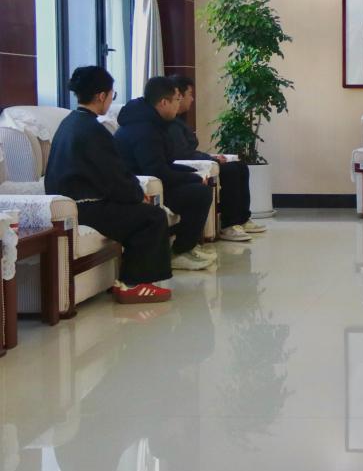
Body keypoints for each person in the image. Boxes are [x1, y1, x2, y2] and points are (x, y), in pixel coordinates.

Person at [43, 66, 173, 304]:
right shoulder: (93, 130)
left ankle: (131, 280)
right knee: (153, 217)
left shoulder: (69, 123)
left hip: (70, 206)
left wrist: (133, 194)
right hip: (87, 208)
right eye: (112, 94)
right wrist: (137, 195)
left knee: (142, 212)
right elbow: (114, 175)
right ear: (101, 95)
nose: (112, 99)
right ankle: (133, 284)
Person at [114, 76, 216, 270]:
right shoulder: (143, 129)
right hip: (142, 189)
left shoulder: (153, 123)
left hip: (155, 183)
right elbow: (156, 170)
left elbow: (166, 164)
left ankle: (185, 247)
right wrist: (192, 178)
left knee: (198, 186)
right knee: (199, 194)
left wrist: (193, 175)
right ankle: (181, 251)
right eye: (177, 100)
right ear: (163, 102)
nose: (179, 104)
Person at [167, 75, 266, 242]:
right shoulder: (170, 123)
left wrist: (210, 157)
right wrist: (210, 158)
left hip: (195, 160)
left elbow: (188, 150)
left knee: (240, 166)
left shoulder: (180, 121)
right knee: (231, 170)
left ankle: (242, 219)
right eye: (190, 94)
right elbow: (181, 153)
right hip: (185, 166)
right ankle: (229, 224)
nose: (192, 99)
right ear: (179, 96)